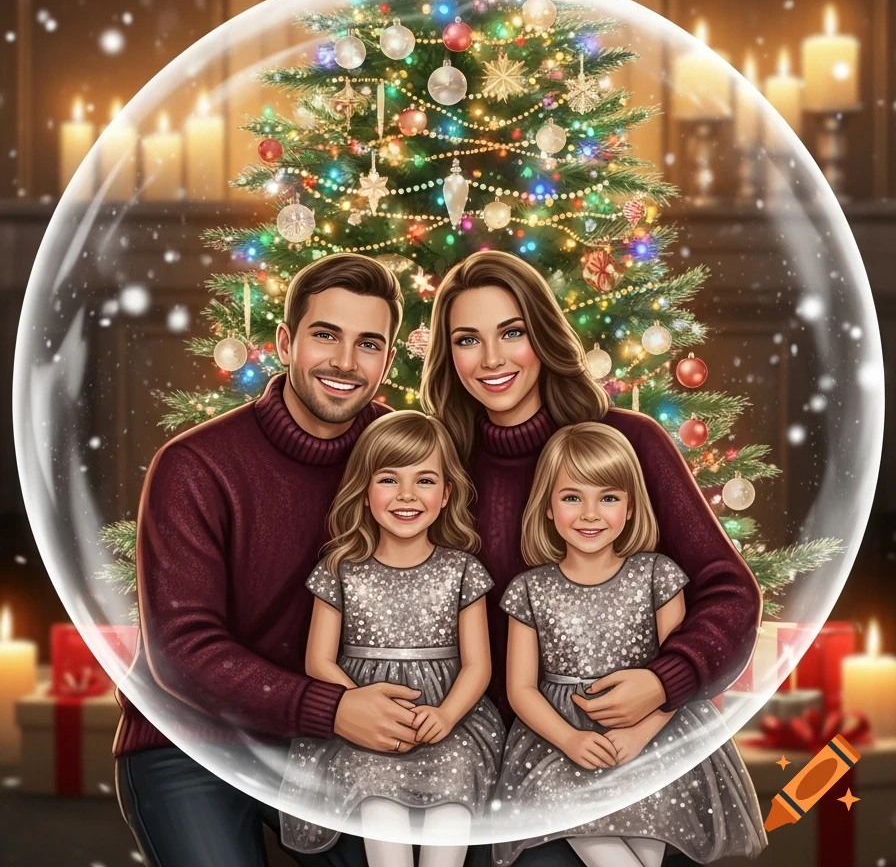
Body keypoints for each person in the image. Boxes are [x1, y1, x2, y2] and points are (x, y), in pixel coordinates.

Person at [419, 252, 763, 867]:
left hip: (644, 739)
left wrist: (664, 682)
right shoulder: (437, 475)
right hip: (512, 754)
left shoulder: (628, 444)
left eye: (513, 332)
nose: (492, 360)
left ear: (544, 336)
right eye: (468, 340)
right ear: (450, 358)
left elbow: (729, 594)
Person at [114, 254, 422, 867]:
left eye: (369, 344)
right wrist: (333, 709)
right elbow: (183, 651)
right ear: (285, 341)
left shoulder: (408, 459)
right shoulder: (196, 466)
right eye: (325, 335)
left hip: (331, 745)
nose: (344, 362)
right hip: (191, 741)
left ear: (387, 361)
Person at [492, 422, 766, 866]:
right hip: (558, 741)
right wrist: (570, 740)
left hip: (652, 734)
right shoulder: (529, 590)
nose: (590, 514)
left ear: (632, 507)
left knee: (649, 820)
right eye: (571, 497)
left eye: (609, 498)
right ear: (546, 506)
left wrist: (637, 736)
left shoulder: (657, 576)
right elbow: (521, 688)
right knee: (570, 810)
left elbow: (672, 679)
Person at [279, 411, 505, 867]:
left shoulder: (462, 571)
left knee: (454, 792)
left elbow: (477, 665)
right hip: (364, 722)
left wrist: (446, 714)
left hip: (449, 720)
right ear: (364, 492)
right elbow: (319, 661)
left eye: (424, 480)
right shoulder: (340, 569)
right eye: (388, 479)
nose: (406, 495)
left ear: (446, 495)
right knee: (377, 798)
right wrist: (359, 703)